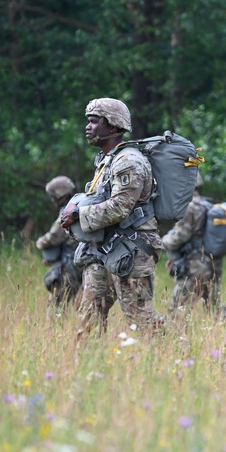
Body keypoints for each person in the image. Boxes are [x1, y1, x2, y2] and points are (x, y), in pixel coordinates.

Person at [61, 98, 167, 336]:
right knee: (90, 314)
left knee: (140, 317)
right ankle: (88, 368)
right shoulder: (107, 160)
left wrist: (78, 214)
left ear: (114, 126)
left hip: (132, 250)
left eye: (94, 121)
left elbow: (121, 207)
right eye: (88, 122)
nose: (88, 127)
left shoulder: (129, 161)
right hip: (104, 249)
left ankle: (183, 354)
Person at [161, 172, 226, 319]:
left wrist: (161, 242)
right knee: (214, 305)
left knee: (177, 307)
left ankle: (180, 339)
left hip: (195, 265)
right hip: (212, 263)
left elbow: (181, 236)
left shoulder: (189, 207)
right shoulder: (207, 204)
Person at [35, 176, 83, 309]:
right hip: (82, 262)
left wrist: (39, 243)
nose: (52, 200)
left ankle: (56, 329)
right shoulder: (81, 205)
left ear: (59, 194)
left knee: (56, 304)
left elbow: (53, 237)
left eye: (53, 196)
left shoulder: (67, 213)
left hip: (70, 265)